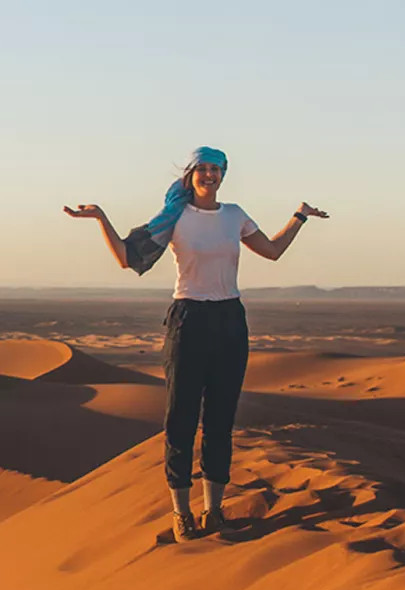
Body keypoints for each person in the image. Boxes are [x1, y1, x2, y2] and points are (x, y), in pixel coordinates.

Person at [63, 146, 329, 541]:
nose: (209, 175)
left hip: (230, 320)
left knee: (220, 422)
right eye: (202, 168)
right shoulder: (175, 217)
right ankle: (182, 513)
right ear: (190, 174)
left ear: (224, 173)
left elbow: (272, 252)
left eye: (215, 169)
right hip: (188, 319)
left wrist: (299, 217)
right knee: (181, 421)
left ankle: (214, 511)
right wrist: (101, 217)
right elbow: (125, 257)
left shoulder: (234, 215)